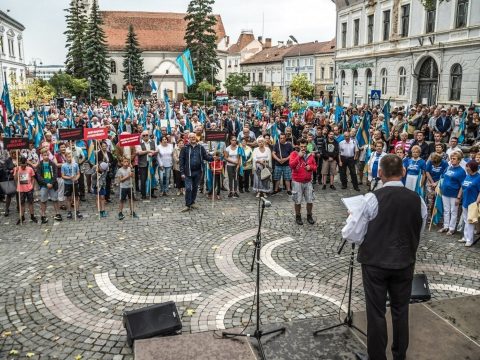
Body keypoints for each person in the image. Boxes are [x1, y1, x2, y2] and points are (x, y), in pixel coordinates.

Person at [342, 154, 427, 360]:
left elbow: (351, 234)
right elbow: (418, 229)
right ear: (404, 172)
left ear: (380, 173)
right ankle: (399, 355)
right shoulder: (418, 200)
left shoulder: (372, 198)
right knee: (401, 310)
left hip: (375, 262)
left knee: (376, 312)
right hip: (404, 262)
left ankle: (377, 357)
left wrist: (352, 218)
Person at [179, 132, 214, 212]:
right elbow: (181, 160)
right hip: (188, 172)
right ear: (188, 139)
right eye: (191, 137)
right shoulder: (185, 148)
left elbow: (205, 157)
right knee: (188, 188)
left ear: (196, 138)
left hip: (198, 171)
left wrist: (213, 158)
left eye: (194, 137)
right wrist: (182, 172)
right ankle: (188, 205)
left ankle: (192, 202)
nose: (193, 138)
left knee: (195, 188)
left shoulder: (201, 147)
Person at [289, 139, 317, 225]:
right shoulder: (294, 154)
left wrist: (311, 167)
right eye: (301, 146)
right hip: (297, 181)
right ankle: (298, 216)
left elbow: (315, 166)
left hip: (308, 181)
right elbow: (291, 165)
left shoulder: (310, 155)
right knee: (298, 201)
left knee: (310, 200)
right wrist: (299, 156)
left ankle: (309, 215)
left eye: (305, 146)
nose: (303, 148)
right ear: (298, 146)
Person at [439, 151, 466, 235]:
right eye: (451, 158)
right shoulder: (448, 167)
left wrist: (459, 197)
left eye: (454, 159)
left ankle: (451, 228)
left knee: (453, 211)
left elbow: (462, 185)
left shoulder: (461, 171)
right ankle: (446, 226)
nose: (452, 160)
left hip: (454, 194)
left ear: (459, 160)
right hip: (445, 193)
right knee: (446, 210)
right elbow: (443, 177)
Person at [458, 160, 480, 248]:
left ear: (473, 168)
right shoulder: (467, 176)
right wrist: (459, 197)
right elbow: (462, 187)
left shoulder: (478, 178)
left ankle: (469, 240)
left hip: (472, 203)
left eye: (468, 167)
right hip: (465, 202)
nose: (466, 168)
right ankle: (465, 236)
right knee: (465, 220)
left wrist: (477, 203)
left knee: (470, 222)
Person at [36, 150, 62, 223]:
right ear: (42, 156)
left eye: (47, 155)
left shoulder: (52, 164)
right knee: (43, 200)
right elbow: (39, 176)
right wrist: (46, 183)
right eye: (44, 155)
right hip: (44, 186)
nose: (46, 156)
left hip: (52, 185)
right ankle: (43, 215)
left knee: (55, 199)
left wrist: (51, 183)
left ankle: (57, 213)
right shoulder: (39, 165)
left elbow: (55, 174)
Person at [14, 156, 38, 225]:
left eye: (24, 166)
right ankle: (22, 217)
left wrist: (32, 187)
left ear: (26, 164)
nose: (23, 167)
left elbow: (33, 178)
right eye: (22, 166)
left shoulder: (30, 169)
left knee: (30, 203)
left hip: (29, 188)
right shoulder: (17, 169)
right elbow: (15, 179)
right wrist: (17, 171)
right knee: (22, 204)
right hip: (21, 189)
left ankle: (32, 216)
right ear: (20, 163)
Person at [61, 151, 83, 219]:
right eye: (68, 157)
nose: (69, 158)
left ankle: (77, 211)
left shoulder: (75, 164)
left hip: (75, 183)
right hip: (67, 183)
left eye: (70, 157)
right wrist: (69, 178)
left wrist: (76, 178)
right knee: (68, 198)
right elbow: (63, 176)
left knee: (77, 197)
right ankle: (69, 212)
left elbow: (78, 174)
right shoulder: (63, 165)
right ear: (65, 158)